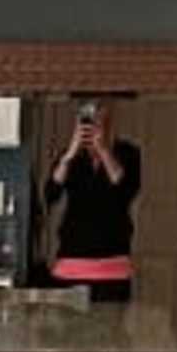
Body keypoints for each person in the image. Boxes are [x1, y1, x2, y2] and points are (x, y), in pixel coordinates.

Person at [42, 100, 143, 299]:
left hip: (113, 265)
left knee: (111, 329)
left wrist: (104, 151)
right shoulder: (71, 156)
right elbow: (50, 194)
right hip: (71, 262)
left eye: (99, 119)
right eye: (88, 120)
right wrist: (69, 155)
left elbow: (126, 191)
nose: (94, 125)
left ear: (109, 121)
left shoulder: (128, 153)